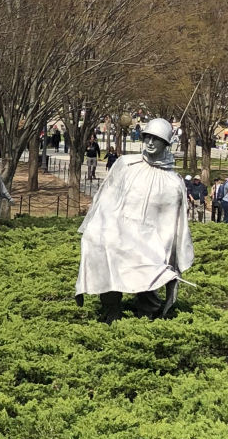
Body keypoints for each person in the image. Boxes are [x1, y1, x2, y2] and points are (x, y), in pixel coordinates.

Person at [75, 116, 193, 322]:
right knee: (106, 254)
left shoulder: (173, 182)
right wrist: (100, 229)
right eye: (147, 137)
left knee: (150, 271)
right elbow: (106, 199)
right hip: (119, 233)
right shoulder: (126, 165)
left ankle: (148, 315)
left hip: (150, 242)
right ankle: (111, 311)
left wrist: (170, 256)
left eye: (156, 139)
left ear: (166, 143)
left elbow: (174, 225)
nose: (150, 143)